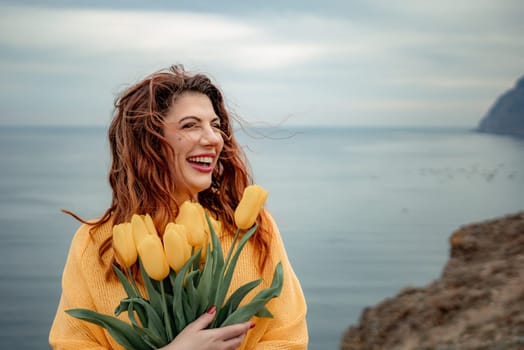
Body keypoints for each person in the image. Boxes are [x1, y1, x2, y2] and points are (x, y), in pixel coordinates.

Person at [49, 65, 308, 350]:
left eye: (215, 125)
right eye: (190, 125)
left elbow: (288, 338)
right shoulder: (95, 243)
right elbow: (73, 344)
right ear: (150, 141)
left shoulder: (252, 228)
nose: (213, 139)